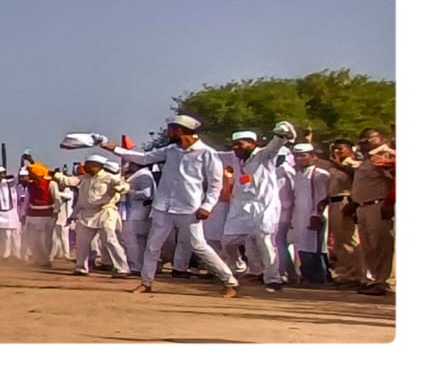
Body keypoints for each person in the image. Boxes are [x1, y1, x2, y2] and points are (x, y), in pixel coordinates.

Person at [100, 115, 239, 297]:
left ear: (179, 130)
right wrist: (113, 148)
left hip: (190, 208)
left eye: (170, 129)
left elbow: (215, 184)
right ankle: (146, 282)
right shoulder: (171, 150)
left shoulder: (207, 153)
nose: (168, 132)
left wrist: (208, 206)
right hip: (163, 207)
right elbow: (143, 158)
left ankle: (229, 281)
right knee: (152, 246)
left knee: (198, 246)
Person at [219, 126, 296, 292]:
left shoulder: (264, 155)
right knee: (227, 241)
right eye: (234, 144)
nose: (235, 147)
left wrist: (282, 133)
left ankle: (273, 280)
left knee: (265, 241)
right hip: (241, 207)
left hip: (264, 205)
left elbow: (277, 143)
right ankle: (240, 268)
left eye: (240, 144)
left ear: (253, 144)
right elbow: (207, 155)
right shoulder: (233, 157)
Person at [54, 155, 131, 277]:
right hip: (86, 214)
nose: (86, 167)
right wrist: (53, 174)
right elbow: (68, 181)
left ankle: (122, 268)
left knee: (110, 240)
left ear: (97, 165)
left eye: (89, 165)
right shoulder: (83, 178)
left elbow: (125, 186)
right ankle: (81, 268)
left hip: (105, 212)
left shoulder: (109, 177)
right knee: (82, 242)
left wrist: (118, 189)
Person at [348, 128, 395, 296]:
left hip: (378, 205)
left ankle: (383, 281)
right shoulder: (367, 160)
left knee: (380, 244)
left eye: (368, 140)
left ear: (380, 138)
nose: (364, 144)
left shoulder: (386, 155)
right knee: (368, 246)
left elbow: (394, 177)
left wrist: (390, 203)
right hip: (362, 206)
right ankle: (372, 279)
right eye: (361, 141)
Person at [289, 143, 332, 286]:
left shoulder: (320, 174)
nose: (299, 159)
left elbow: (322, 196)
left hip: (314, 215)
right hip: (299, 216)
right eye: (296, 156)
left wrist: (317, 215)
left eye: (303, 155)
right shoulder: (297, 175)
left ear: (313, 157)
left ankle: (319, 277)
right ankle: (306, 275)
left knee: (315, 246)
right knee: (301, 246)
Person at [325, 139, 362, 287]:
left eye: (340, 149)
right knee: (339, 241)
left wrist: (340, 165)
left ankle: (355, 274)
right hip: (333, 202)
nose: (337, 152)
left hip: (346, 200)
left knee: (350, 239)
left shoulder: (354, 164)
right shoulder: (331, 167)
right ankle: (344, 273)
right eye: (334, 149)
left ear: (350, 150)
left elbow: (357, 178)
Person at [19, 163, 62, 267]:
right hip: (32, 215)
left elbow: (57, 199)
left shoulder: (51, 184)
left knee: (47, 239)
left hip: (47, 215)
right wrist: (23, 214)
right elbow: (27, 201)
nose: (29, 175)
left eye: (31, 173)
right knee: (34, 238)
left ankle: (47, 259)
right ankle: (37, 258)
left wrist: (55, 213)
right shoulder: (31, 185)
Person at [120, 162, 155, 274]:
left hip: (139, 212)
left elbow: (146, 194)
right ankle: (139, 266)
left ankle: (135, 266)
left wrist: (128, 192)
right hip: (136, 212)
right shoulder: (139, 174)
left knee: (130, 239)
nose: (127, 166)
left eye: (130, 163)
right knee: (138, 241)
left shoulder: (143, 176)